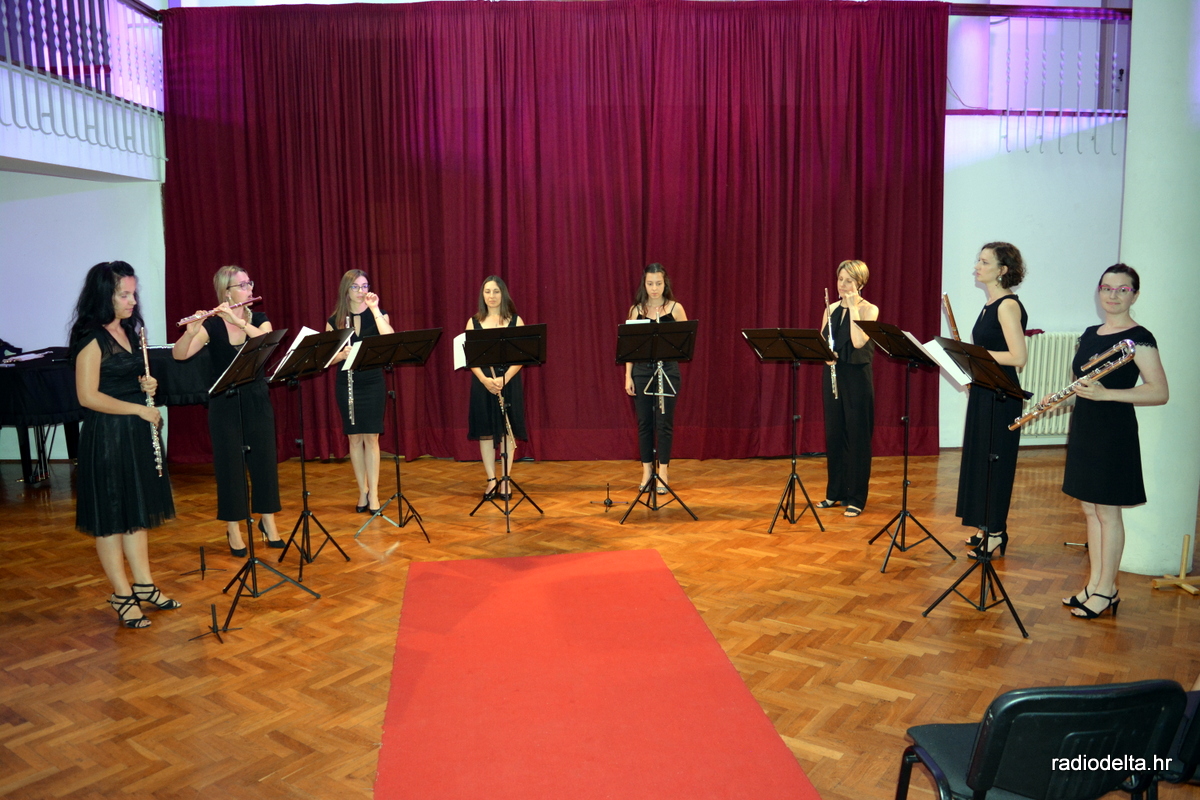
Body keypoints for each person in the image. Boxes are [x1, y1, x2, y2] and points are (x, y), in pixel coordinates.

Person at [69, 261, 179, 628]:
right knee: (111, 518)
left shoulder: (130, 331)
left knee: (136, 513)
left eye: (133, 293)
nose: (132, 301)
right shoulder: (91, 337)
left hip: (133, 434)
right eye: (124, 294)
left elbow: (128, 379)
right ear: (105, 295)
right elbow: (87, 396)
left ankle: (144, 585)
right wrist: (138, 408)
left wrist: (147, 386)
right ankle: (121, 593)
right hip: (107, 436)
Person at [1059, 264, 1167, 619]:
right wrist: (1061, 400)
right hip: (1086, 427)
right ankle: (1094, 584)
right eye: (1107, 288)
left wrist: (1107, 395)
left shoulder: (1140, 338)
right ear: (1099, 291)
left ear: (1135, 295)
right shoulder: (1090, 334)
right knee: (1090, 509)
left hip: (1113, 431)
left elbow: (1159, 392)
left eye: (1123, 289)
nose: (1113, 295)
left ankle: (1107, 590)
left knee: (1108, 511)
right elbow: (1082, 383)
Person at [173, 266, 284, 555]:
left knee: (264, 461)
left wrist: (238, 320)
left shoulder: (259, 319)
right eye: (242, 285)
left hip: (256, 398)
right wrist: (191, 332)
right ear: (227, 292)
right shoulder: (212, 326)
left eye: (249, 283)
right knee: (230, 466)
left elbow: (266, 342)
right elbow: (180, 355)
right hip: (224, 403)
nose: (249, 289)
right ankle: (233, 527)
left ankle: (268, 521)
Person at [955, 242, 1028, 558]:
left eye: (984, 262)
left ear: (1002, 270)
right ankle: (985, 526)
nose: (977, 266)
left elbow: (1018, 357)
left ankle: (996, 532)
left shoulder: (1007, 306)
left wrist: (975, 355)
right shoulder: (990, 304)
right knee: (981, 461)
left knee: (996, 465)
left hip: (1002, 396)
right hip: (985, 391)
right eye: (979, 260)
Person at [327, 270, 394, 513]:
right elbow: (326, 358)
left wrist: (375, 309)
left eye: (365, 286)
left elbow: (390, 339)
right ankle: (362, 491)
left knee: (372, 437)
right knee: (354, 438)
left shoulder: (378, 314)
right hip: (347, 382)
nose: (361, 291)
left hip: (372, 381)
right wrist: (340, 355)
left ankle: (374, 493)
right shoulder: (334, 320)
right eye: (355, 287)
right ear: (346, 290)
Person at [817, 260, 879, 518]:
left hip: (857, 379)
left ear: (860, 283)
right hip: (833, 376)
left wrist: (853, 307)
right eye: (840, 279)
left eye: (849, 281)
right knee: (834, 434)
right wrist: (826, 356)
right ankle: (836, 492)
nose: (842, 285)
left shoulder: (869, 310)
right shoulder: (830, 308)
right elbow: (822, 343)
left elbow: (858, 341)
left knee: (857, 437)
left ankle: (856, 498)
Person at [624, 263, 689, 494]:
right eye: (650, 284)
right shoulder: (636, 310)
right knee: (644, 423)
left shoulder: (676, 309)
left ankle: (663, 472)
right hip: (642, 372)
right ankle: (646, 471)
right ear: (644, 284)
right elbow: (630, 348)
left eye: (658, 283)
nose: (654, 288)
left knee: (664, 424)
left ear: (665, 284)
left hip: (668, 371)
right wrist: (628, 376)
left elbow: (685, 343)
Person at [466, 276, 527, 500]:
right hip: (483, 383)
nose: (491, 296)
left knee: (507, 432)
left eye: (496, 291)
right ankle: (491, 479)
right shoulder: (473, 322)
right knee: (486, 432)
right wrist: (485, 380)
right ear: (482, 295)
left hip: (508, 382)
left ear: (503, 294)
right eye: (487, 292)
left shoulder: (515, 321)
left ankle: (505, 479)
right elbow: (470, 358)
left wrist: (504, 379)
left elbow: (521, 356)